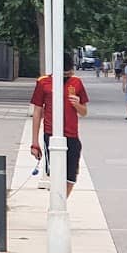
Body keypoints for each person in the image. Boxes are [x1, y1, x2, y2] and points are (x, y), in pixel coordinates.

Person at [31, 59, 88, 197]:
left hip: (71, 134)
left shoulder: (76, 82)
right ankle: (56, 205)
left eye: (69, 73)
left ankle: (61, 202)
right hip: (51, 133)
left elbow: (84, 112)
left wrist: (77, 105)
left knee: (71, 175)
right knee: (56, 173)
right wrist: (34, 142)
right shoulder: (43, 82)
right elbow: (37, 112)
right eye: (65, 73)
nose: (67, 76)